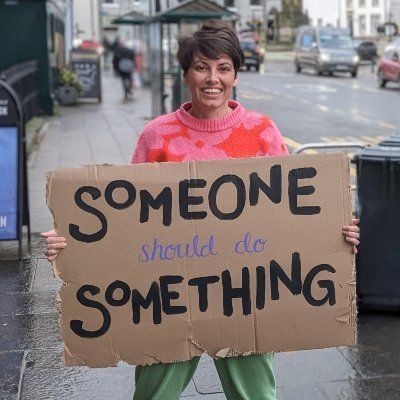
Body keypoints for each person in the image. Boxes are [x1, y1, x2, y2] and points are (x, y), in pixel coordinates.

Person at [42, 21, 360, 400]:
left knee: (254, 395)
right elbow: (122, 223)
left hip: (247, 300)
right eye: (201, 67)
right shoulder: (157, 135)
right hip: (168, 299)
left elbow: (291, 214)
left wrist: (335, 234)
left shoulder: (262, 132)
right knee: (154, 393)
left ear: (236, 74)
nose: (213, 79)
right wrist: (72, 245)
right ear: (186, 73)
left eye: (223, 68)